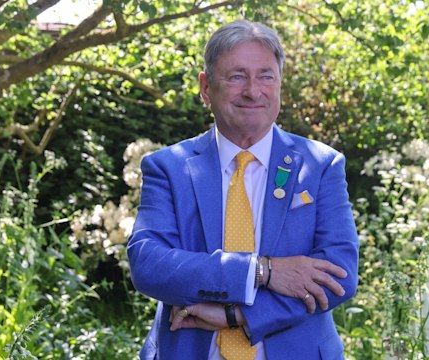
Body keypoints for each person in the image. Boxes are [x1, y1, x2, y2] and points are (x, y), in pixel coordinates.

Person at [127, 19, 359, 360]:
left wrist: (236, 316)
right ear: (206, 88)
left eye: (266, 76)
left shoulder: (321, 165)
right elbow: (149, 264)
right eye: (236, 76)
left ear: (280, 84)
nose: (253, 90)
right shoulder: (169, 167)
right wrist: (261, 271)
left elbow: (338, 275)